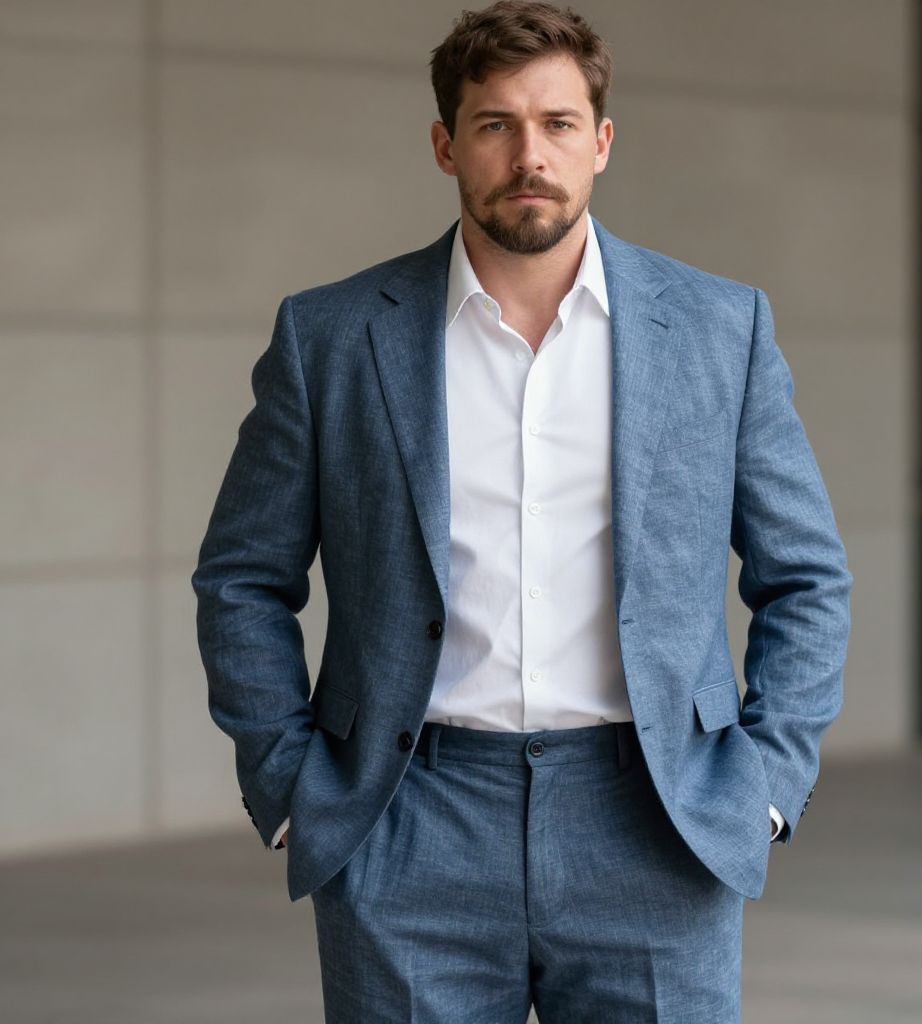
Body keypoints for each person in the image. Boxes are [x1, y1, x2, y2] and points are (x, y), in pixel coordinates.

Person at [191, 1, 853, 1020]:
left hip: (654, 818)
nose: (527, 154)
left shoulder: (720, 330)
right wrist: (290, 787)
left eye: (555, 123)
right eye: (495, 124)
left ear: (601, 141)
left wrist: (761, 785)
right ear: (446, 145)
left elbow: (804, 576)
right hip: (409, 817)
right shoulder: (329, 339)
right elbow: (242, 577)